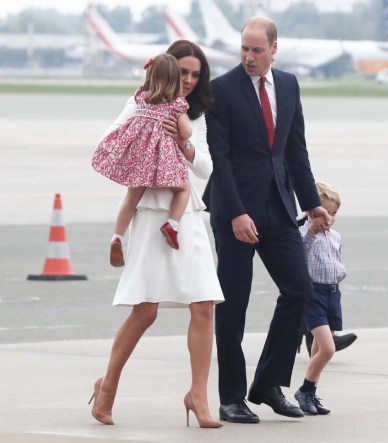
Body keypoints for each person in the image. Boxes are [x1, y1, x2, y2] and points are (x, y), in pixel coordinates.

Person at [89, 40, 225, 429]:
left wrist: (183, 143)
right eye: (182, 72)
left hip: (187, 215)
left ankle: (198, 396)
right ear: (165, 69)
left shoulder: (192, 113)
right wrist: (147, 137)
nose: (188, 81)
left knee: (204, 304)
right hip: (149, 212)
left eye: (195, 75)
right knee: (145, 310)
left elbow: (206, 169)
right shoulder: (141, 102)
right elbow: (108, 143)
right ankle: (108, 386)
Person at [203, 16, 330, 423]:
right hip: (234, 212)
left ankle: (268, 384)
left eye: (257, 50)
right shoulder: (221, 90)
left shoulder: (289, 85)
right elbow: (219, 159)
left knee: (299, 291)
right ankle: (230, 396)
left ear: (274, 49)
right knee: (233, 306)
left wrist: (312, 203)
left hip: (278, 207)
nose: (249, 57)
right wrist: (237, 212)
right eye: (244, 48)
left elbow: (296, 149)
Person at [91, 54, 192, 265]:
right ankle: (171, 225)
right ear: (175, 79)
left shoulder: (141, 97)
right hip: (161, 163)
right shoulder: (176, 104)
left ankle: (117, 236)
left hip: (138, 160)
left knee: (131, 199)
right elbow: (187, 132)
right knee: (183, 188)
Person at [294, 181, 346, 415]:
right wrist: (312, 233)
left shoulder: (335, 236)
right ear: (310, 212)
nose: (329, 219)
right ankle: (304, 390)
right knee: (328, 348)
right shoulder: (303, 233)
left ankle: (311, 392)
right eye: (324, 214)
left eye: (333, 213)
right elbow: (299, 255)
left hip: (333, 293)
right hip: (313, 294)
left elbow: (335, 259)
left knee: (318, 350)